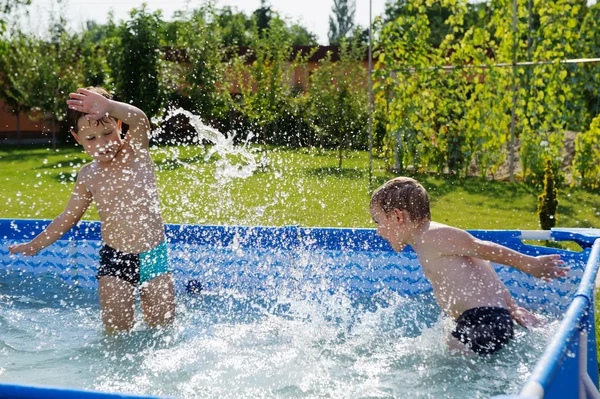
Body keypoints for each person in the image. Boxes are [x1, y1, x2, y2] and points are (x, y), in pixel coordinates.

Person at [9, 87, 175, 334]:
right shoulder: (89, 175)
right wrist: (36, 244)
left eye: (108, 133)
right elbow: (68, 217)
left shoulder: (136, 154)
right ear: (77, 139)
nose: (103, 143)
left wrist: (109, 105)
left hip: (154, 256)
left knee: (161, 328)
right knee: (117, 330)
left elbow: (140, 119)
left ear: (119, 125)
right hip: (115, 260)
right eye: (91, 138)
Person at [370, 177, 568, 355]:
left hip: (481, 321)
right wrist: (512, 307)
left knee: (443, 368)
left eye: (378, 221)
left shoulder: (431, 235)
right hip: (488, 320)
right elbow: (482, 268)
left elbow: (483, 248)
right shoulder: (427, 239)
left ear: (398, 216)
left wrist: (530, 264)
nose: (378, 231)